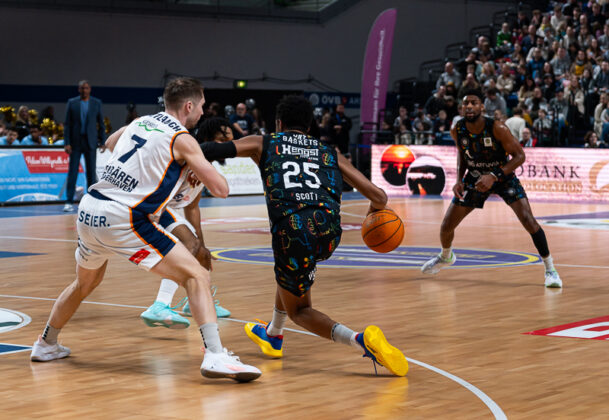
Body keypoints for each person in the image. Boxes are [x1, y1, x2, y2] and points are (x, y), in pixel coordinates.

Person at [30, 77, 261, 382]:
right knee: (197, 275)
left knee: (85, 283)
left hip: (89, 209)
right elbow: (222, 189)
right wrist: (195, 163)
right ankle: (216, 356)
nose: (203, 113)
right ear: (189, 106)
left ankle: (45, 344)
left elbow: (111, 143)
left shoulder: (140, 122)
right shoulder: (183, 139)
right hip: (124, 216)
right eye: (202, 106)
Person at [200, 95, 408, 376]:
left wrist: (177, 147)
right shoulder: (329, 151)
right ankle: (273, 335)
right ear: (309, 127)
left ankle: (361, 341)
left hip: (294, 232)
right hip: (330, 232)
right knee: (289, 274)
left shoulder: (264, 142)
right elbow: (380, 196)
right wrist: (373, 217)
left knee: (300, 310)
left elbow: (214, 148)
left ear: (278, 122)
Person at [420, 89, 562, 289]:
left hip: (502, 176)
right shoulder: (457, 129)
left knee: (529, 221)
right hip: (475, 177)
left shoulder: (497, 128)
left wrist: (494, 175)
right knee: (446, 227)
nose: (469, 106)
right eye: (465, 103)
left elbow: (520, 156)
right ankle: (446, 256)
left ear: (482, 106)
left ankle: (550, 270)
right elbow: (462, 154)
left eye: (474, 102)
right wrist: (459, 179)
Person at [140, 117, 233, 327]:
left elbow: (192, 206)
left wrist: (202, 243)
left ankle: (197, 302)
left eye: (229, 141)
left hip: (169, 211)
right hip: (155, 208)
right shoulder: (188, 155)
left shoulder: (205, 166)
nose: (227, 146)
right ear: (208, 139)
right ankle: (160, 304)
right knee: (190, 245)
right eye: (222, 140)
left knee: (198, 249)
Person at [63, 80, 106, 212]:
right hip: (76, 142)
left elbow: (101, 123)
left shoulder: (96, 103)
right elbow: (67, 124)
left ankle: (92, 201)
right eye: (82, 88)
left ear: (90, 89)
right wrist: (67, 143)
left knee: (91, 173)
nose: (84, 90)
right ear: (79, 89)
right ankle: (69, 201)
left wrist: (103, 141)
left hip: (91, 142)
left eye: (86, 88)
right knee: (73, 172)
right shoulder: (72, 102)